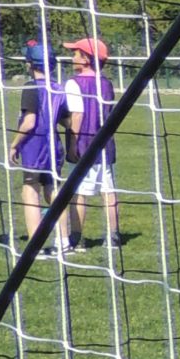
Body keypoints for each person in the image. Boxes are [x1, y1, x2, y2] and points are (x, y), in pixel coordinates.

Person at [10, 43, 73, 256]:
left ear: (30, 64)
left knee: (30, 190)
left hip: (34, 146)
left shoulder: (31, 87)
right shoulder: (58, 88)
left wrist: (14, 144)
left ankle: (34, 245)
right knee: (53, 190)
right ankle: (63, 241)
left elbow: (29, 122)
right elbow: (67, 121)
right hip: (53, 145)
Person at [61, 38, 120, 249]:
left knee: (78, 193)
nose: (72, 58)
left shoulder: (73, 83)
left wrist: (72, 145)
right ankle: (113, 236)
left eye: (76, 54)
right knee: (108, 191)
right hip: (105, 145)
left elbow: (77, 115)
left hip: (83, 145)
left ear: (86, 59)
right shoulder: (106, 83)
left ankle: (76, 237)